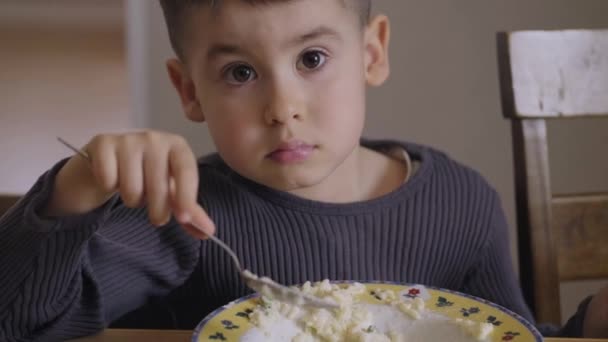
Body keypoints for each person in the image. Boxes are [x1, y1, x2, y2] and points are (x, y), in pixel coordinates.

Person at [0, 0, 606, 340]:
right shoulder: (180, 217)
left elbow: (512, 337)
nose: (281, 107)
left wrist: (587, 326)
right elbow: (20, 321)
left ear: (371, 54)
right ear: (189, 91)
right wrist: (74, 193)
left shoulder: (462, 205)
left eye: (311, 58)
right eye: (240, 72)